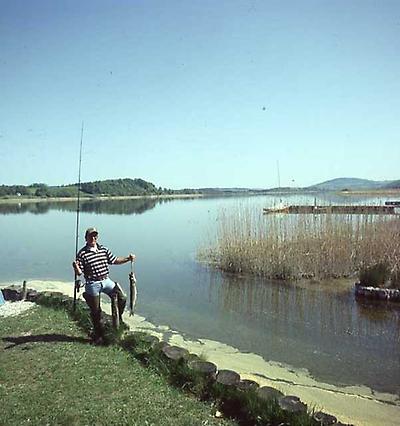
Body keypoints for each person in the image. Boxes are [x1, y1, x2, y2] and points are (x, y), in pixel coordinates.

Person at [72, 227, 135, 344]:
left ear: (97, 237)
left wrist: (128, 258)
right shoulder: (82, 253)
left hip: (106, 281)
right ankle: (98, 336)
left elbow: (115, 260)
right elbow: (79, 273)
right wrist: (76, 267)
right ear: (86, 238)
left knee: (122, 297)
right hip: (92, 283)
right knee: (96, 312)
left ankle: (117, 319)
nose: (93, 238)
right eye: (90, 236)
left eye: (95, 236)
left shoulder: (103, 249)